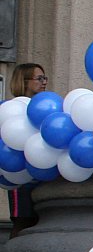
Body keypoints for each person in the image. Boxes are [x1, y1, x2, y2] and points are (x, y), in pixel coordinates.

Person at [7, 64, 46, 237]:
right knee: (22, 220)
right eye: (39, 79)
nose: (44, 82)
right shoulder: (13, 109)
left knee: (37, 221)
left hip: (40, 172)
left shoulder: (45, 107)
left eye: (45, 78)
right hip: (20, 174)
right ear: (24, 82)